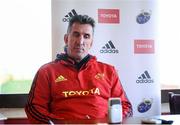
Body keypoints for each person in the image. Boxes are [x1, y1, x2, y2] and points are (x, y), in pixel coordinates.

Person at [25, 14, 133, 124]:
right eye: (76, 35)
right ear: (66, 39)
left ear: (91, 43)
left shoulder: (109, 71)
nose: (80, 41)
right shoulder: (46, 71)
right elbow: (34, 108)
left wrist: (108, 122)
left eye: (86, 36)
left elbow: (126, 107)